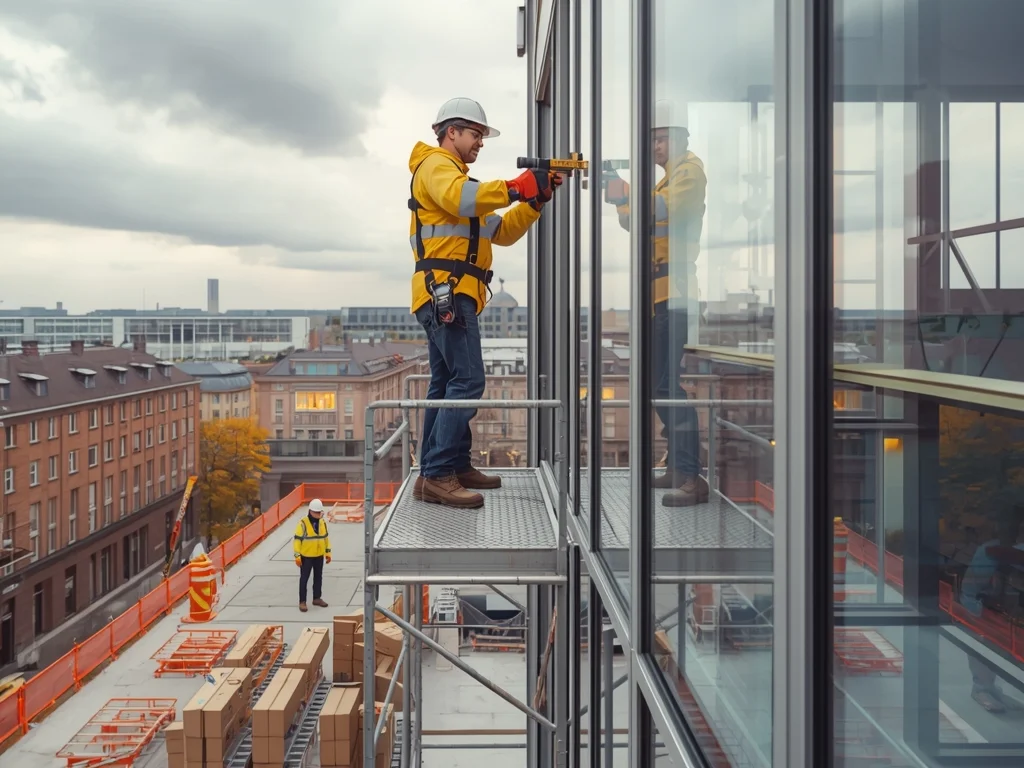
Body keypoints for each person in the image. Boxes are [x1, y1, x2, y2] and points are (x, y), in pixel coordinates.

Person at [408, 97, 563, 508]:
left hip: (449, 292)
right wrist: (516, 186)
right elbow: (463, 199)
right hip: (448, 290)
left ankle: (448, 467)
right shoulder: (438, 168)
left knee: (446, 386)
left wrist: (534, 201)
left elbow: (503, 231)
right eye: (475, 134)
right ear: (451, 132)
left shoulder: (461, 183)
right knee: (469, 381)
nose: (480, 143)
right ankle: (440, 473)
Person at [605, 100, 708, 507]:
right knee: (655, 385)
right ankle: (678, 468)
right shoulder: (665, 180)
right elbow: (636, 220)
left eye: (662, 138)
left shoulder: (690, 172)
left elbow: (666, 211)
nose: (657, 147)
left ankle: (691, 475)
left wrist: (624, 190)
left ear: (681, 137)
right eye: (653, 140)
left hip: (675, 296)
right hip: (658, 297)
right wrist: (618, 196)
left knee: (666, 385)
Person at [294, 498, 331, 611]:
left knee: (318, 577)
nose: (319, 514)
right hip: (306, 556)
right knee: (304, 578)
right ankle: (302, 602)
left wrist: (328, 553)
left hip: (319, 555)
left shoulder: (322, 523)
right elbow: (297, 540)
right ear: (310, 511)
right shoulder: (303, 523)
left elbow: (325, 538)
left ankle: (317, 598)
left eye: (320, 512)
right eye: (317, 512)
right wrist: (297, 556)